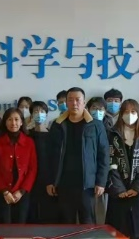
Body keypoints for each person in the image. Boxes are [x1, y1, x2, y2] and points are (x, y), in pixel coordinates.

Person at [47, 87, 109, 224]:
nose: (74, 103)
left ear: (84, 102)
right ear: (66, 103)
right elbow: (49, 155)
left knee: (88, 222)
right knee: (65, 223)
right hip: (63, 183)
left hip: (87, 184)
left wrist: (101, 182)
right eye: (70, 100)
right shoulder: (57, 125)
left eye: (77, 100)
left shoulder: (96, 125)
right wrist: (50, 181)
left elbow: (104, 155)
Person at [106, 100, 139, 239]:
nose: (130, 115)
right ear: (121, 114)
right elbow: (110, 162)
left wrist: (137, 188)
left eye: (133, 112)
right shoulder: (112, 135)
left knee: (137, 238)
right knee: (116, 236)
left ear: (138, 114)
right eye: (126, 112)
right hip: (119, 194)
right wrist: (118, 188)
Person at [0, 108, 37, 224]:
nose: (13, 123)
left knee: (20, 226)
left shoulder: (29, 142)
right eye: (10, 120)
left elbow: (32, 169)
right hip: (3, 192)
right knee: (5, 226)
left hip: (22, 192)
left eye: (16, 119)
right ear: (5, 122)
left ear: (21, 122)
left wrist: (21, 191)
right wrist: (5, 192)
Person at [27, 101, 54, 222]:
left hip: (47, 178)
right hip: (30, 178)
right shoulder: (27, 135)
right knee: (31, 212)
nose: (39, 113)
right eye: (36, 111)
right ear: (31, 115)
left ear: (46, 114)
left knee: (47, 212)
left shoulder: (52, 135)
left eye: (42, 111)